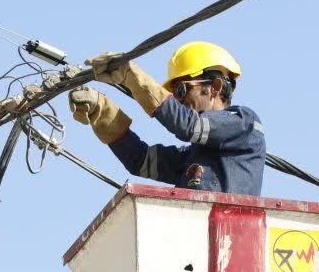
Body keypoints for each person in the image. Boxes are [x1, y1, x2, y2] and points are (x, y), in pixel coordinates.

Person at [68, 41, 266, 195]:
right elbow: (140, 160)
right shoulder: (191, 158)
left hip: (230, 236)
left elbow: (188, 126)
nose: (179, 101)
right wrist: (100, 111)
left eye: (182, 90)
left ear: (215, 87)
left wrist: (131, 77)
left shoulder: (245, 124)